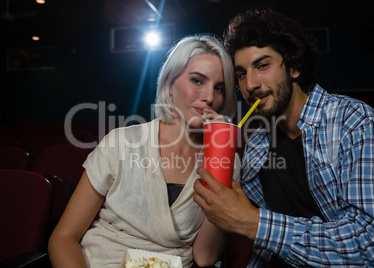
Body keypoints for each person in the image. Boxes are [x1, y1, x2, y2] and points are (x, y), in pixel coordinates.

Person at [193, 8, 374, 267]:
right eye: (242, 73)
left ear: (293, 67)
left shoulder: (355, 123)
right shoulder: (258, 143)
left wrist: (253, 222)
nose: (250, 84)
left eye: (262, 65)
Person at [48, 34, 240, 268]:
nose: (209, 97)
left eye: (218, 87)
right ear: (170, 84)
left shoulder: (228, 162)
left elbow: (205, 257)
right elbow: (63, 238)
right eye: (197, 81)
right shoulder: (119, 144)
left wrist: (221, 162)